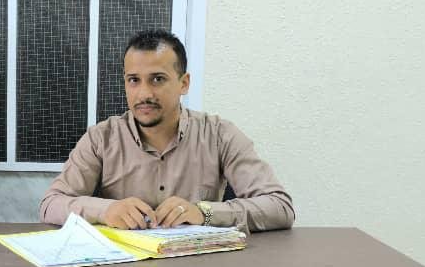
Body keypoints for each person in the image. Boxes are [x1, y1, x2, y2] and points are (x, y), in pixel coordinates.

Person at [39, 30, 294, 233]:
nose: (144, 94)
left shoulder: (219, 135)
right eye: (134, 80)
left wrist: (204, 213)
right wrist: (106, 210)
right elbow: (51, 204)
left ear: (184, 83)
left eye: (158, 79)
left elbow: (280, 206)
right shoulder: (101, 138)